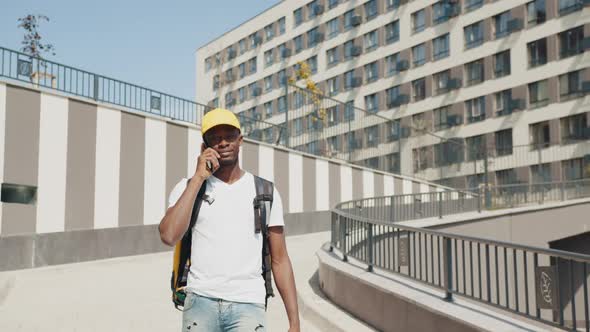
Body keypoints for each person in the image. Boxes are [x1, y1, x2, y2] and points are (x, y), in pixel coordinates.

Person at [158, 108, 300, 332]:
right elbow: (168, 235)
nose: (223, 143)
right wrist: (198, 178)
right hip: (199, 302)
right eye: (215, 138)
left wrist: (294, 322)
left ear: (240, 140)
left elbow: (280, 260)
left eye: (229, 136)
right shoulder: (187, 188)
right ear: (204, 147)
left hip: (248, 304)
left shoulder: (265, 191)